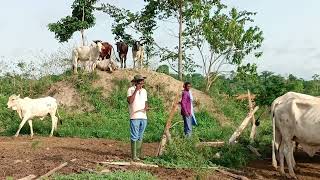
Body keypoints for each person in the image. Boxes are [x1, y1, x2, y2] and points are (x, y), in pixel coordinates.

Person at [127, 74, 148, 160]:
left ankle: (138, 154)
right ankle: (134, 156)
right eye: (140, 82)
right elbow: (130, 101)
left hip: (143, 116)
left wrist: (146, 107)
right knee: (134, 135)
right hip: (134, 116)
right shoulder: (130, 90)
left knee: (140, 136)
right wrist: (136, 90)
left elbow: (146, 101)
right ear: (136, 83)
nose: (142, 84)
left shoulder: (144, 91)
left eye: (142, 82)